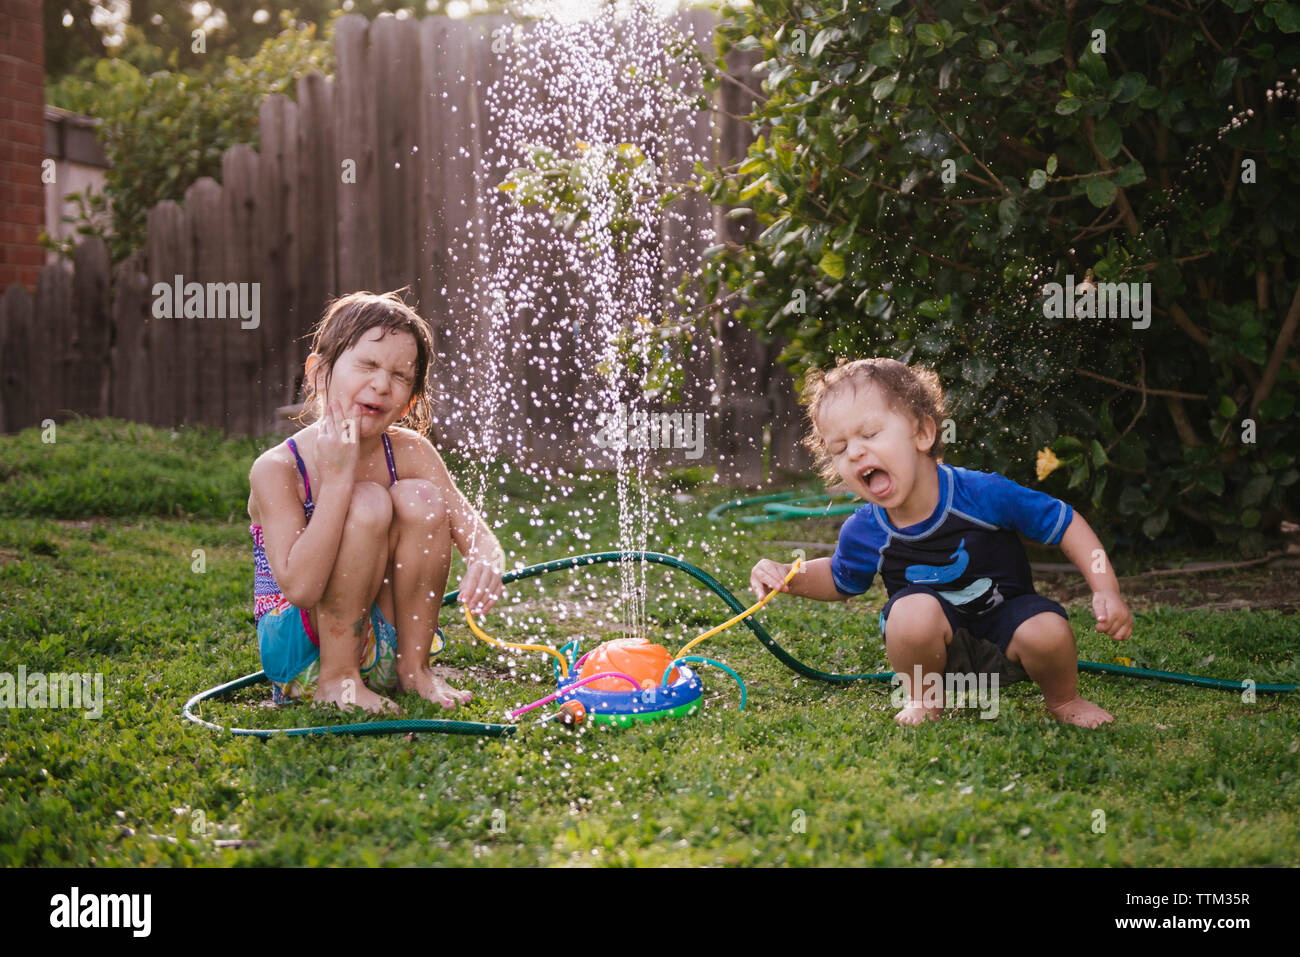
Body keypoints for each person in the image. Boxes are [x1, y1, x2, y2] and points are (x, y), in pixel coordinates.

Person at [749, 357, 1133, 728]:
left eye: (869, 434)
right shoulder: (865, 528)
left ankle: (1065, 699)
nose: (854, 452)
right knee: (911, 611)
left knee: (1047, 628)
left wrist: (1105, 588)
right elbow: (839, 577)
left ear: (923, 433)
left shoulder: (983, 495)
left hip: (1010, 636)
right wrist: (790, 576)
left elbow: (1066, 525)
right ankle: (924, 698)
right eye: (839, 448)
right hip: (929, 652)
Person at [247, 290, 504, 713]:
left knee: (422, 497)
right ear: (318, 373)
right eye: (367, 364)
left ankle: (413, 670)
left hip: (378, 642)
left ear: (411, 402)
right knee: (365, 502)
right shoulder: (278, 469)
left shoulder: (411, 452)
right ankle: (337, 679)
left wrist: (487, 558)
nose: (382, 384)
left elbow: (472, 529)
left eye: (400, 376)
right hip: (299, 651)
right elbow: (301, 587)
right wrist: (339, 479)